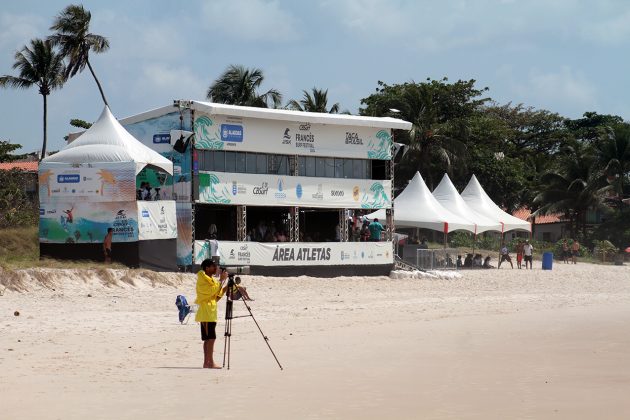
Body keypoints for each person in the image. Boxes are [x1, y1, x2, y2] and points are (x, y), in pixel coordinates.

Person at [195, 259, 228, 369]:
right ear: (207, 268)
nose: (216, 268)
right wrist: (221, 280)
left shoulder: (211, 280)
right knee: (211, 338)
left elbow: (215, 297)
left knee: (208, 339)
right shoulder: (202, 279)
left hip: (211, 313)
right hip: (206, 313)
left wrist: (225, 287)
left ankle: (206, 363)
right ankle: (210, 362)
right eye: (213, 266)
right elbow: (210, 292)